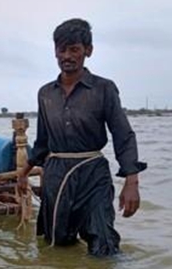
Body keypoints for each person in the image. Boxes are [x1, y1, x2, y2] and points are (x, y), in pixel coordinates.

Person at [17, 18, 147, 256]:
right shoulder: (46, 94)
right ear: (55, 51)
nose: (67, 56)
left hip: (93, 174)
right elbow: (43, 142)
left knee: (104, 243)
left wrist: (132, 182)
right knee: (57, 244)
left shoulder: (103, 89)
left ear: (88, 50)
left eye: (74, 49)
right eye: (61, 50)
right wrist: (23, 174)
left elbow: (123, 134)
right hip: (56, 176)